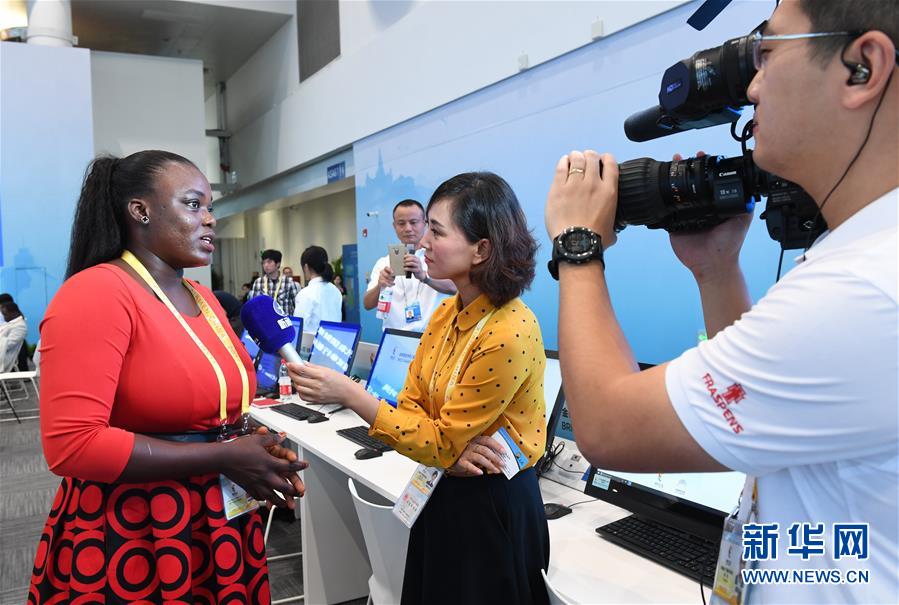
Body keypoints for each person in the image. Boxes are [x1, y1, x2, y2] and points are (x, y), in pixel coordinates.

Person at [543, 1, 897, 603]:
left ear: (861, 67)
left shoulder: (864, 290)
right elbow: (773, 408)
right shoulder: (863, 258)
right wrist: (715, 270)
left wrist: (578, 244)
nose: (752, 86)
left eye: (768, 53)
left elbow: (604, 426)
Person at [31, 150, 307, 602]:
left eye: (210, 207)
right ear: (140, 211)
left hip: (216, 515)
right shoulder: (97, 292)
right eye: (193, 205)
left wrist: (253, 449)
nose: (210, 220)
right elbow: (72, 445)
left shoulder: (202, 297)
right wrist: (223, 456)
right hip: (137, 525)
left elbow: (209, 409)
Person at [290, 173, 550, 605]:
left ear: (482, 249)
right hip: (444, 486)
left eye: (437, 231)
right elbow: (411, 403)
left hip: (491, 505)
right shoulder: (447, 313)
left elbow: (439, 438)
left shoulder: (509, 330)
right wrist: (447, 447)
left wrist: (352, 395)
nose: (422, 241)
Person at [363, 199, 456, 331]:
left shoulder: (439, 256)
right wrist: (380, 285)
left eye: (413, 222)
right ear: (394, 226)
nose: (408, 229)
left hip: (431, 337)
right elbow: (367, 304)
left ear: (425, 224)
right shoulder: (384, 262)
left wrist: (425, 277)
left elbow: (455, 288)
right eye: (401, 223)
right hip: (394, 338)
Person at [293, 245, 343, 333]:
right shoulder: (335, 290)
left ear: (306, 267)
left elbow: (298, 328)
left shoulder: (305, 294)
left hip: (312, 341)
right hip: (334, 338)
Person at [249, 249, 299, 315]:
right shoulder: (258, 282)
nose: (266, 265)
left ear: (278, 264)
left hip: (284, 319)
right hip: (265, 319)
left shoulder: (289, 282)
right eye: (263, 262)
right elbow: (254, 306)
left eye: (269, 262)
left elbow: (297, 306)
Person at [0, 301, 27, 371]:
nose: (4, 317)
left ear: (14, 313)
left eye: (5, 314)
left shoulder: (20, 326)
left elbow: (8, 344)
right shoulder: (8, 324)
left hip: (5, 361)